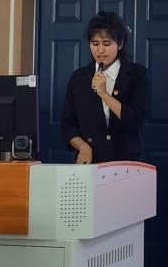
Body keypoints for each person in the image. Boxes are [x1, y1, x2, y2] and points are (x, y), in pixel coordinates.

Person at [61, 12, 148, 164]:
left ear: (120, 44)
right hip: (91, 161)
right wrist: (83, 147)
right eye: (95, 44)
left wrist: (104, 94)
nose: (100, 50)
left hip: (126, 160)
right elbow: (68, 125)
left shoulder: (137, 74)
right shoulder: (78, 78)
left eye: (106, 44)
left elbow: (136, 120)